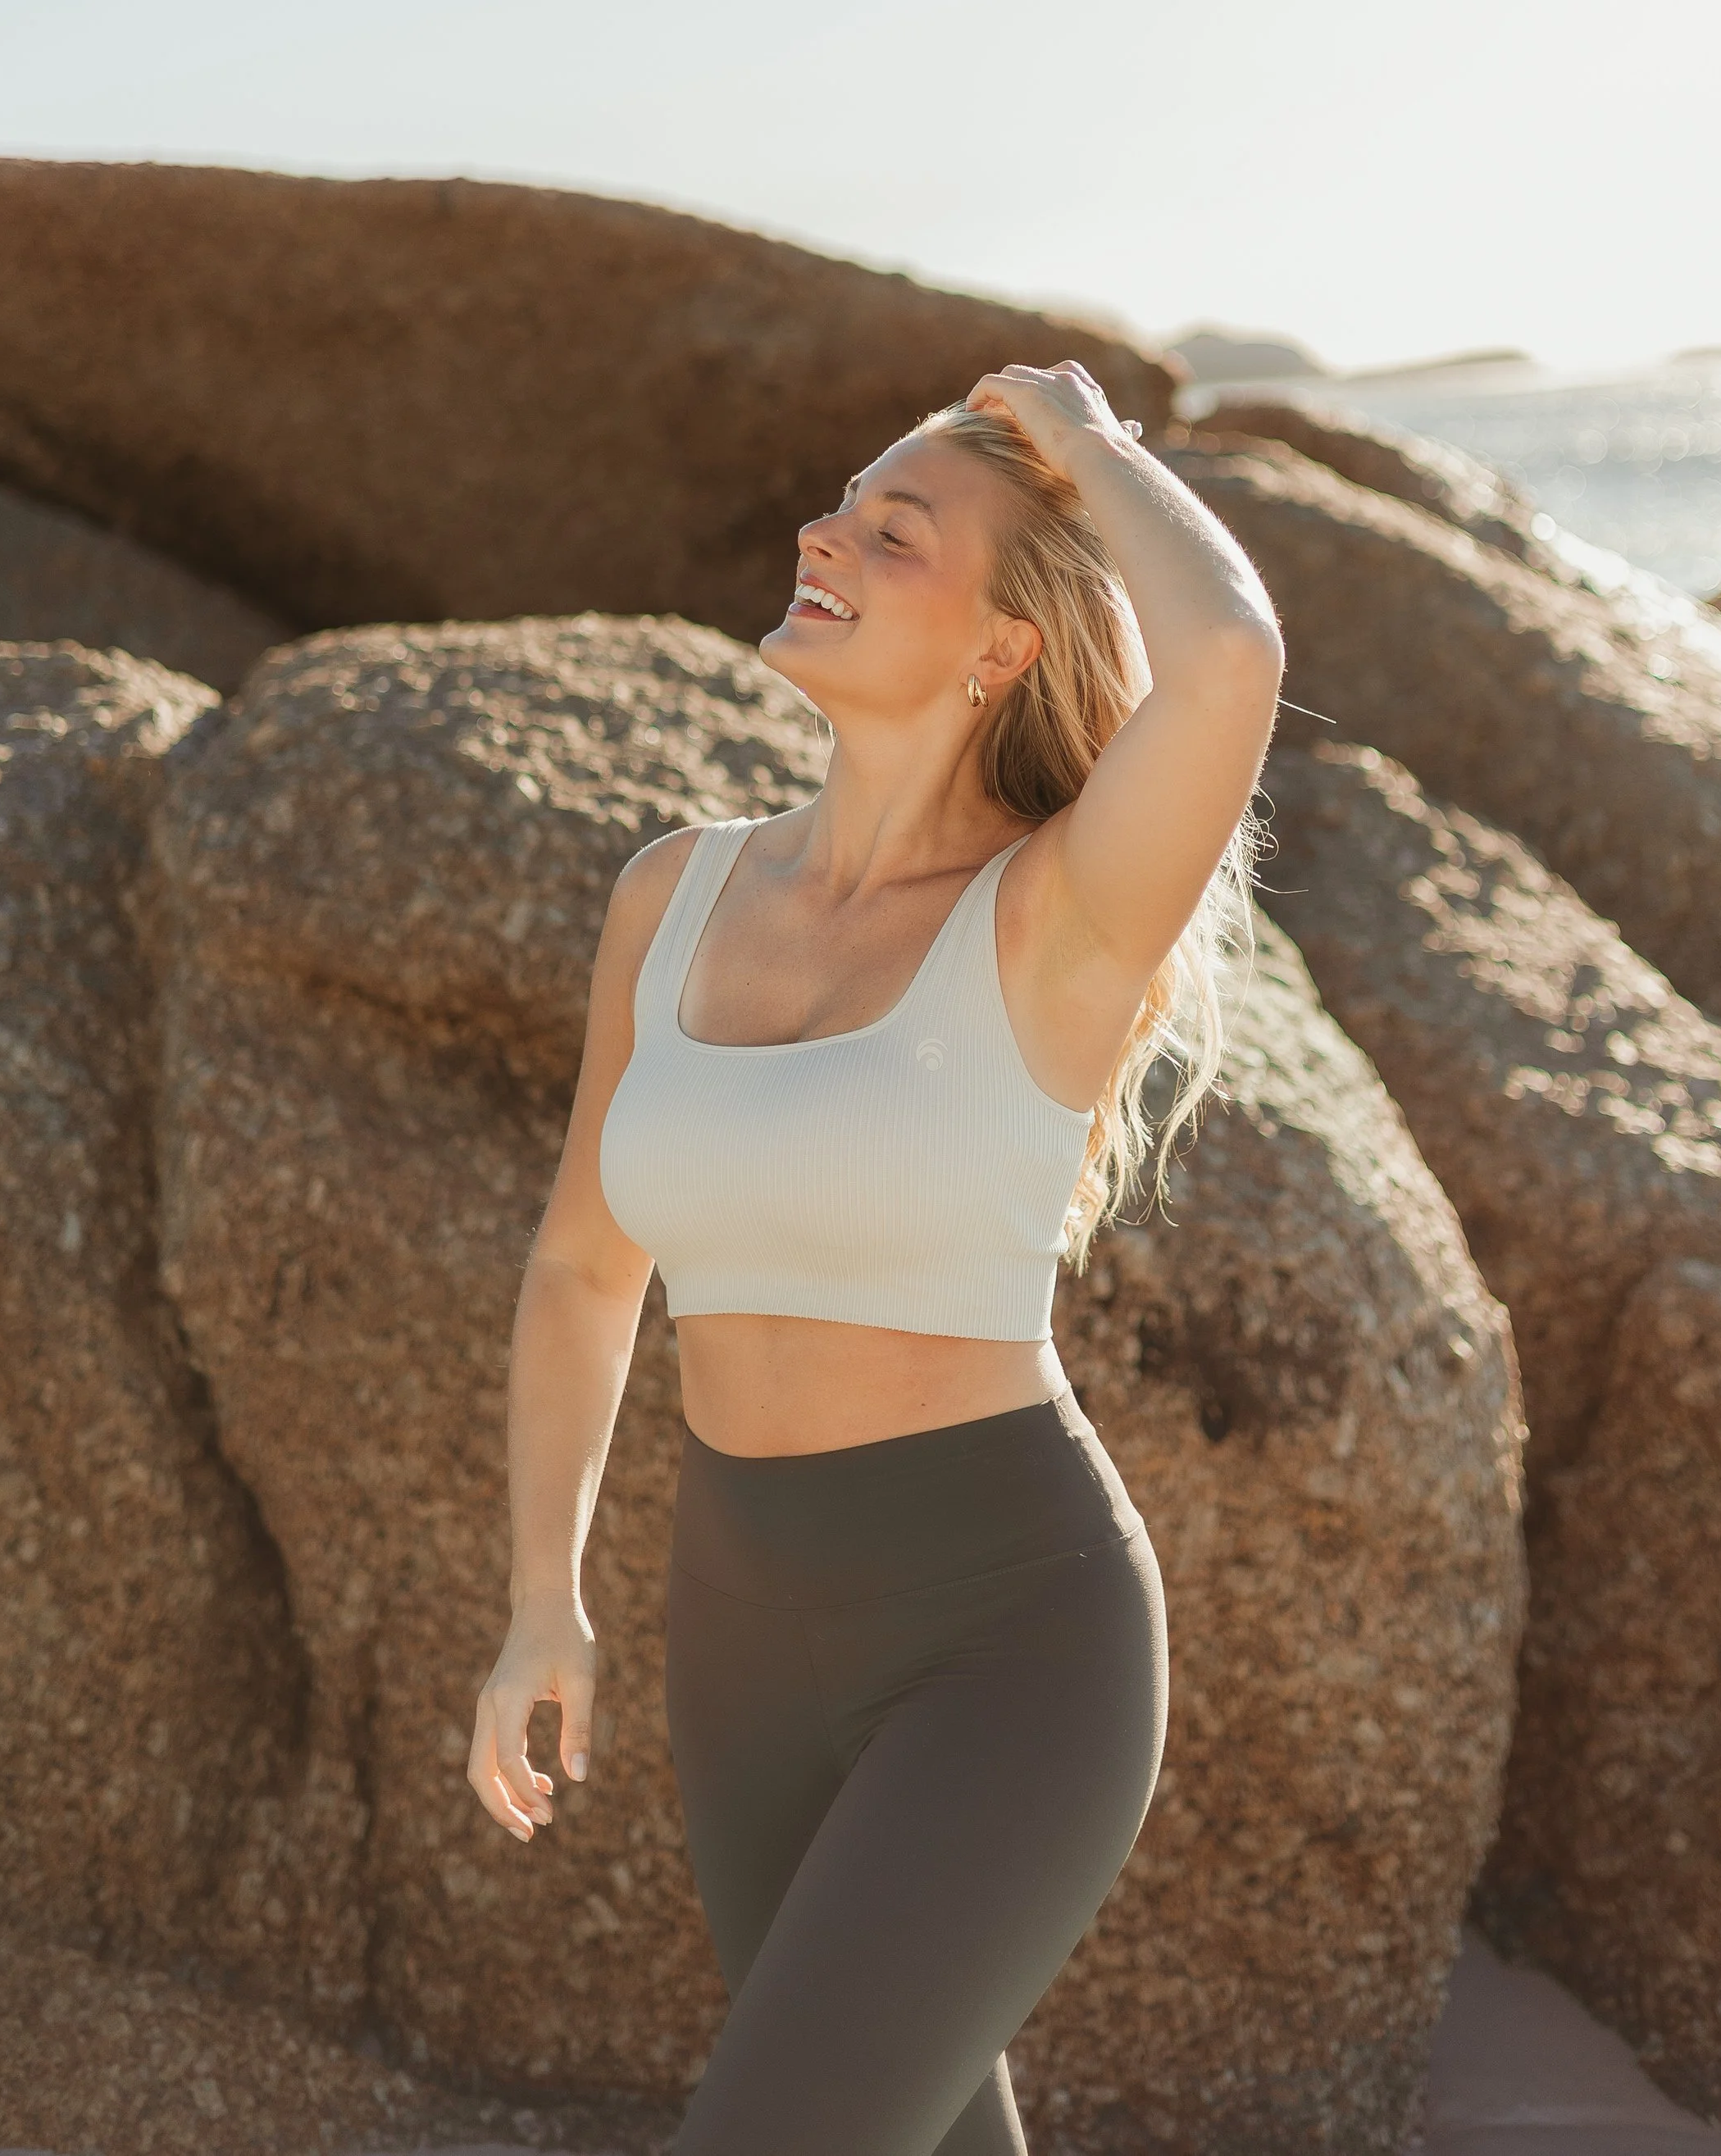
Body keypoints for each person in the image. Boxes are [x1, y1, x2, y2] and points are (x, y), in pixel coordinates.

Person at [468, 359, 1286, 2154]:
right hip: (737, 1625)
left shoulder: (1056, 916)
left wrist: (1089, 444)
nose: (820, 534)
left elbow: (1223, 662)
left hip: (1008, 1634)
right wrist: (546, 1593)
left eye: (890, 529)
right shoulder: (671, 894)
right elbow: (582, 1269)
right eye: (838, 504)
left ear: (1000, 645)